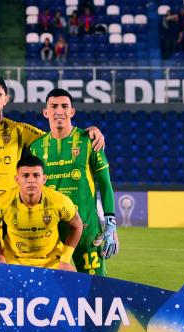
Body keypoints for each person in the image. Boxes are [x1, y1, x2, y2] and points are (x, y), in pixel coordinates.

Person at [0, 75, 105, 262]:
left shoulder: (19, 130)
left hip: (8, 224)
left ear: (5, 99)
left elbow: (57, 138)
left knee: (6, 285)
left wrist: (88, 131)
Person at [30, 88, 118, 275]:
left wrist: (111, 224)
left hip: (87, 231)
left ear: (72, 111)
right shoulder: (35, 148)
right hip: (51, 232)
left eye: (64, 106)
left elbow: (105, 184)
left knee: (96, 288)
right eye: (53, 106)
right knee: (51, 289)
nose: (59, 111)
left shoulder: (90, 141)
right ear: (46, 112)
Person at [0, 154, 82, 271]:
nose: (31, 180)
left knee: (71, 277)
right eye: (25, 175)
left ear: (44, 179)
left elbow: (77, 226)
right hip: (14, 261)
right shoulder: (2, 202)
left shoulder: (60, 201)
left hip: (51, 261)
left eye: (36, 175)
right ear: (17, 179)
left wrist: (65, 260)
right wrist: (0, 257)